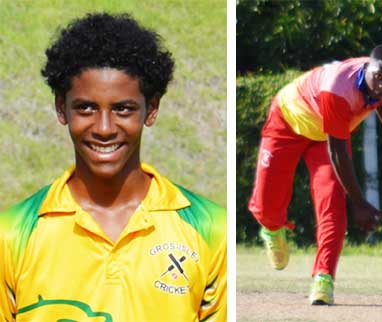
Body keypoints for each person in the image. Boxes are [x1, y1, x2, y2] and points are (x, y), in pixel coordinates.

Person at [0, 13, 226, 321]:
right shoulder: (12, 235)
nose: (104, 128)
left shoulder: (212, 230)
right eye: (86, 108)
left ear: (152, 108)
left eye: (122, 109)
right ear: (60, 108)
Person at [248, 44, 382, 305]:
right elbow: (339, 153)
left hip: (327, 135)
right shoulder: (338, 89)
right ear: (367, 68)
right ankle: (272, 230)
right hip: (289, 121)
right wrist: (360, 203)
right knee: (266, 206)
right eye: (378, 78)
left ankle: (323, 279)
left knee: (332, 204)